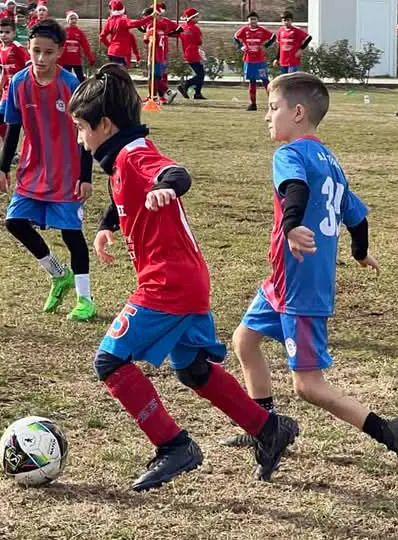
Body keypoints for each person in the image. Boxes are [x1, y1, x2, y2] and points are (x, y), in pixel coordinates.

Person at [68, 63, 300, 492]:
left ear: (104, 124)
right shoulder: (123, 158)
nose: (81, 139)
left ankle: (175, 446)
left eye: (82, 128)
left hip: (167, 284)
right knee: (193, 369)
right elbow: (130, 190)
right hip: (186, 278)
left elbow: (174, 173)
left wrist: (169, 187)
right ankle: (268, 428)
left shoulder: (134, 154)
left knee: (110, 360)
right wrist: (107, 225)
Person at [222, 71, 398, 478]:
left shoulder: (291, 154)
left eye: (273, 109)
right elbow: (356, 215)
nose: (267, 117)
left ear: (298, 113)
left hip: (299, 284)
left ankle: (391, 432)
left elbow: (294, 191)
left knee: (309, 387)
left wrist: (290, 225)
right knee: (244, 340)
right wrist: (360, 253)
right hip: (283, 281)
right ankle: (262, 426)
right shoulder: (331, 160)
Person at [0, 20, 96, 321]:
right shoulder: (19, 82)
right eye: (35, 51)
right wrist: (2, 167)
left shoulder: (71, 86)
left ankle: (85, 299)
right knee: (14, 222)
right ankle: (57, 273)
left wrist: (86, 176)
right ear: (28, 48)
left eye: (48, 53)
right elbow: (13, 128)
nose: (40, 59)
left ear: (60, 52)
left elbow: (85, 131)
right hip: (32, 169)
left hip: (67, 173)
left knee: (71, 235)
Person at [0, 17, 30, 142]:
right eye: (1, 32)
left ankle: (32, 149)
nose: (4, 35)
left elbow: (30, 67)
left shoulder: (18, 48)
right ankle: (9, 149)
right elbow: (5, 70)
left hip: (21, 90)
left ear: (14, 33)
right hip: (7, 91)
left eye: (7, 32)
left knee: (26, 123)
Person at [234, 12, 275, 111]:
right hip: (249, 60)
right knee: (252, 81)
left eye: (254, 19)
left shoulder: (262, 30)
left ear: (257, 20)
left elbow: (273, 37)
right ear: (248, 21)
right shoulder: (244, 30)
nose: (252, 21)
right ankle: (253, 104)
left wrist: (265, 46)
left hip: (260, 60)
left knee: (265, 80)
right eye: (251, 19)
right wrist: (241, 46)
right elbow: (235, 37)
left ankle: (273, 102)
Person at [142, 3, 180, 104]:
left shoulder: (152, 27)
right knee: (157, 77)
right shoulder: (163, 27)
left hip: (155, 55)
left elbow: (147, 41)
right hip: (161, 55)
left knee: (153, 77)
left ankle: (159, 95)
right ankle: (155, 96)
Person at [99, 0, 151, 66]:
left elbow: (102, 37)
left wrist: (109, 45)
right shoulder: (123, 20)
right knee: (122, 73)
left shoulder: (110, 21)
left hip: (112, 52)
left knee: (114, 73)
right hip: (122, 53)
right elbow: (136, 24)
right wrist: (150, 17)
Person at [176, 7, 207, 100]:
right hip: (194, 53)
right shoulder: (195, 28)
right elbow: (199, 42)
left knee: (200, 73)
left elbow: (177, 35)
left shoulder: (183, 27)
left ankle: (197, 94)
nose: (198, 18)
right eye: (196, 17)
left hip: (187, 52)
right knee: (201, 74)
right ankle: (185, 85)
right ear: (192, 18)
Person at [57, 10, 95, 83]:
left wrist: (90, 57)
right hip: (65, 60)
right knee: (66, 78)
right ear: (68, 20)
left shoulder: (80, 32)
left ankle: (81, 91)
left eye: (75, 19)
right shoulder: (64, 31)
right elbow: (58, 44)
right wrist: (57, 57)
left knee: (80, 77)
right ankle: (67, 92)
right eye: (71, 19)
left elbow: (86, 45)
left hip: (76, 60)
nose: (73, 20)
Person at [274, 10, 311, 74]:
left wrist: (300, 49)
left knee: (292, 80)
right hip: (283, 61)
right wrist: (277, 59)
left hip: (293, 61)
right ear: (282, 21)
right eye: (284, 20)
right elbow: (280, 46)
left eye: (288, 20)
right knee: (284, 80)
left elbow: (309, 38)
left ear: (291, 21)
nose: (286, 22)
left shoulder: (296, 30)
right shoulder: (280, 31)